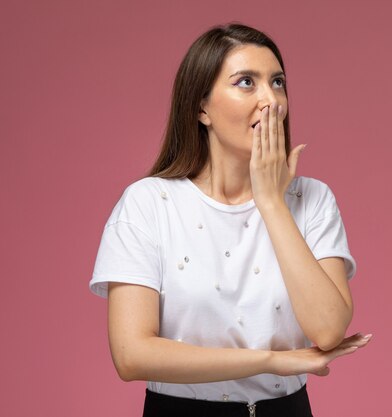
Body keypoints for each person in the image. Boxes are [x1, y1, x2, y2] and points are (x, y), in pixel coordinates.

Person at [89, 22, 371, 417]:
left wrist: (272, 202)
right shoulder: (148, 204)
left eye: (277, 82)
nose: (271, 100)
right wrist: (269, 360)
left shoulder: (313, 199)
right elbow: (131, 354)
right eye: (246, 83)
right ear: (201, 107)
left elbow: (327, 329)